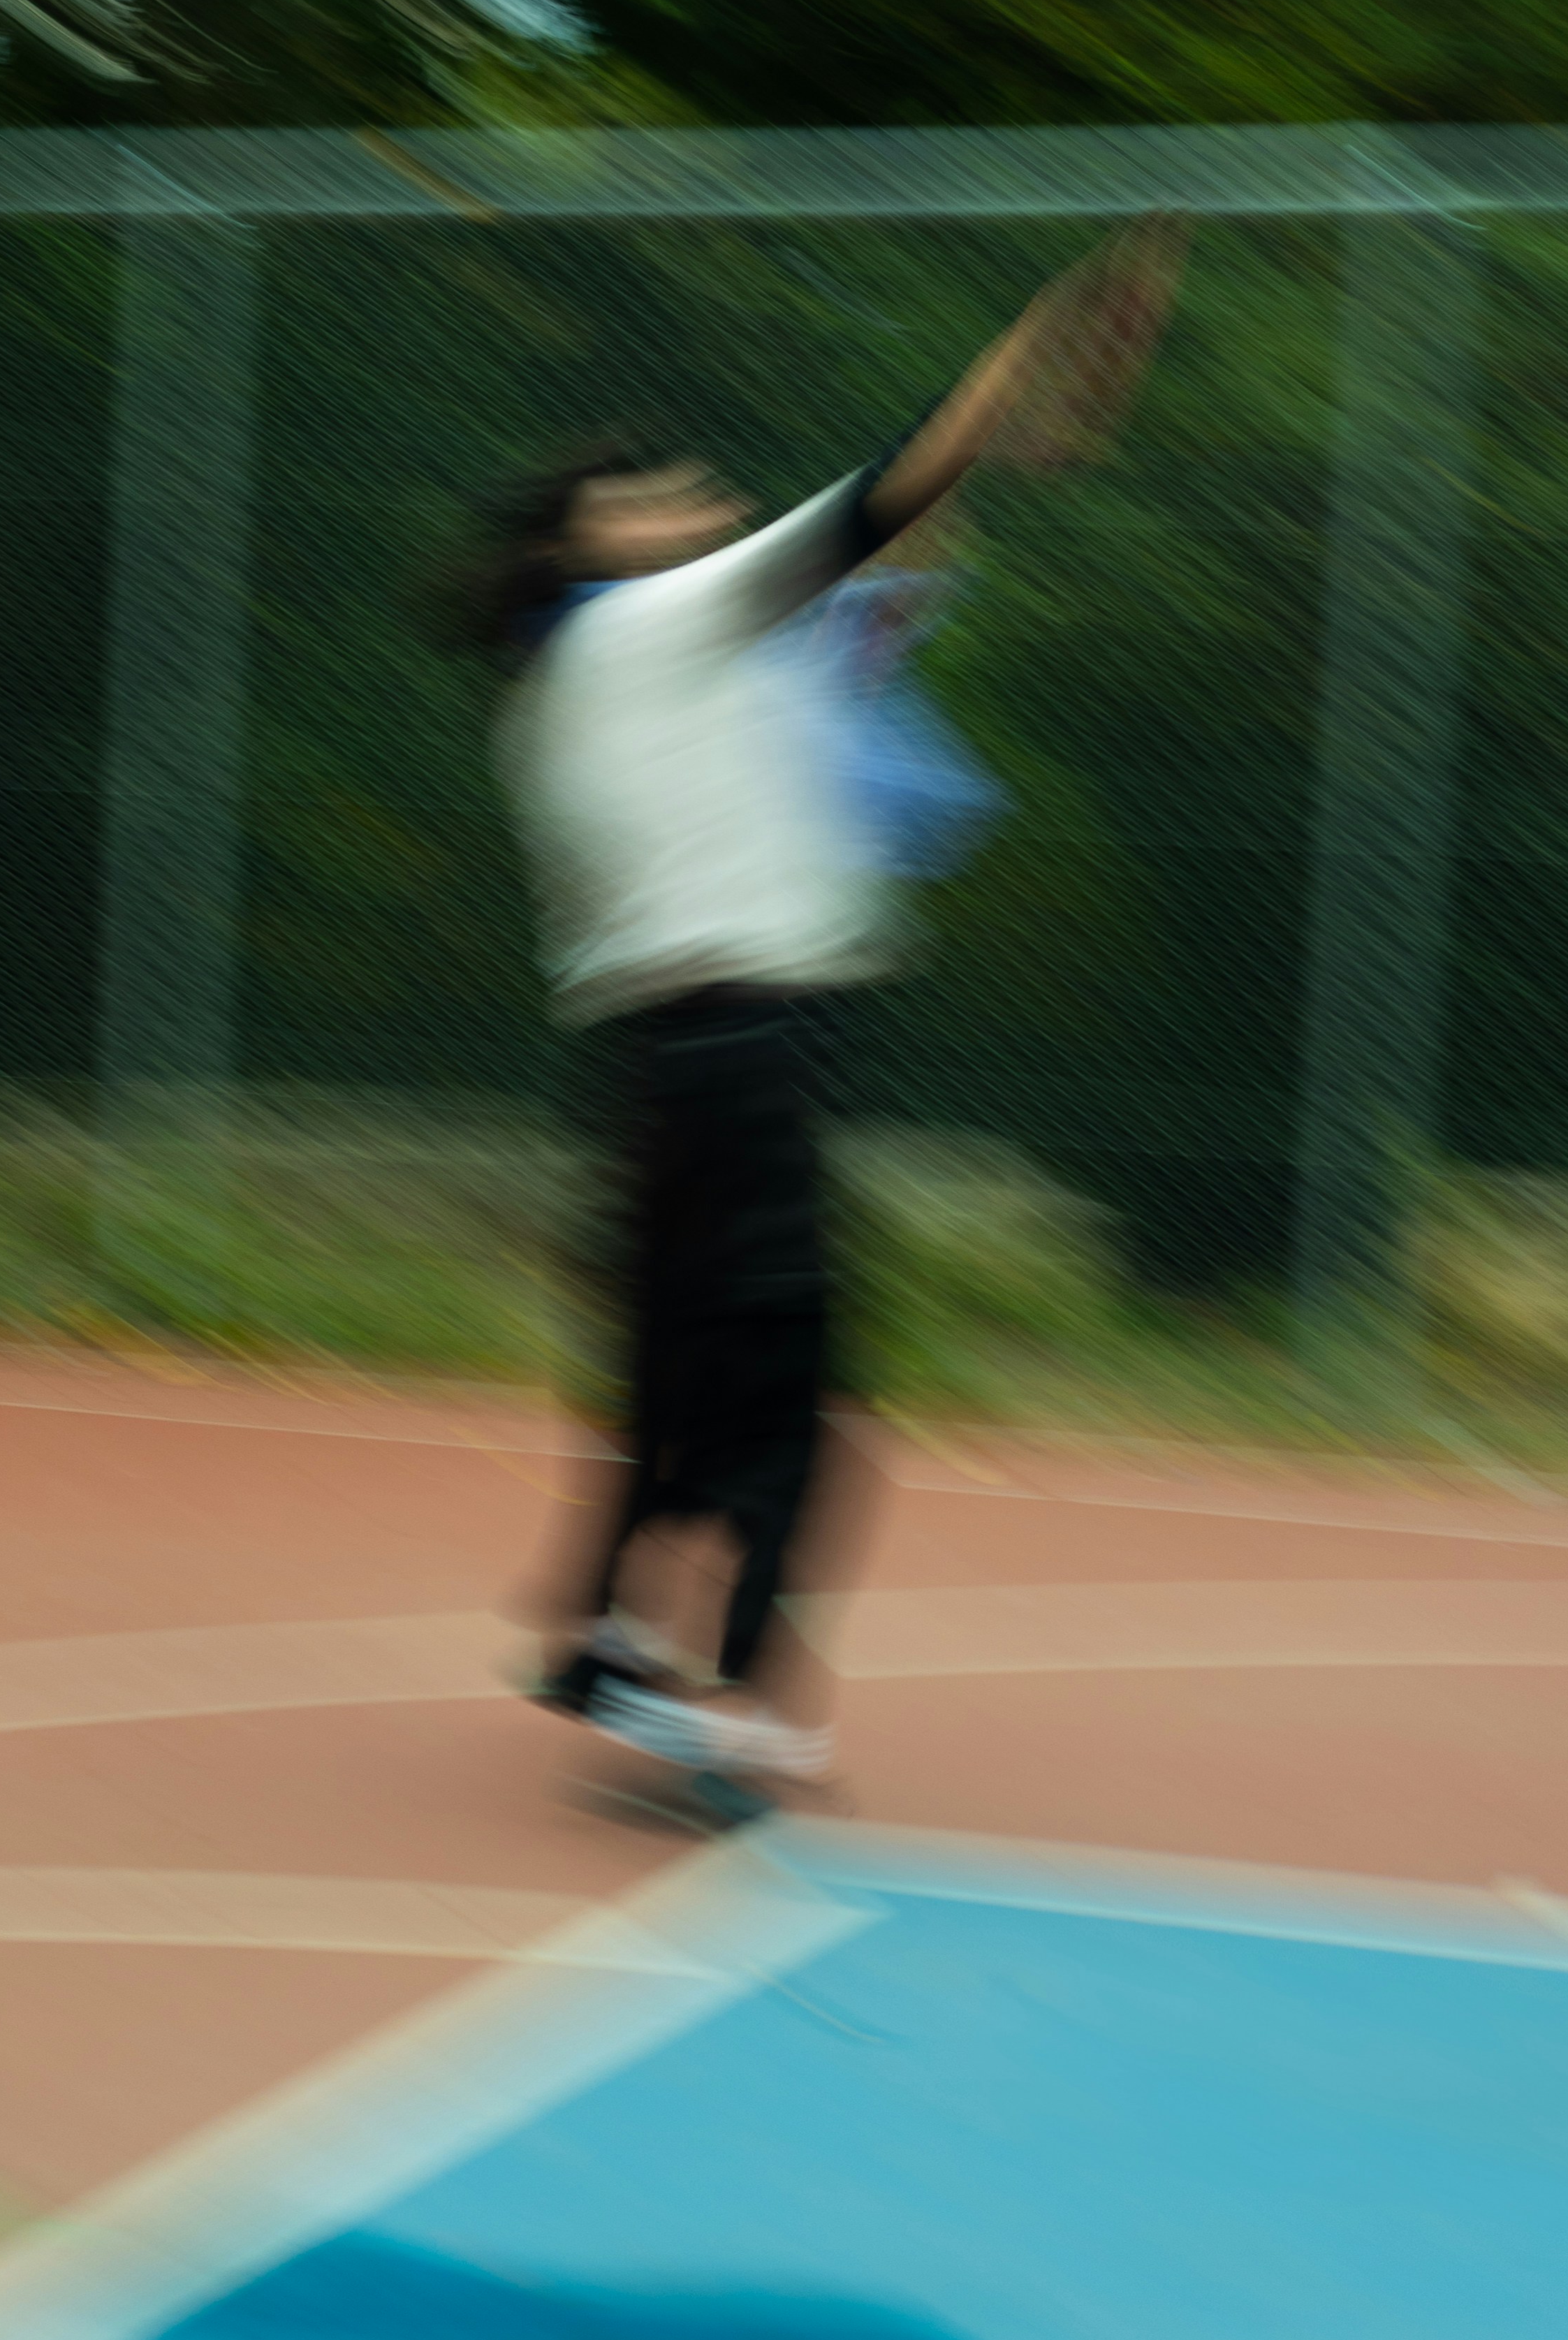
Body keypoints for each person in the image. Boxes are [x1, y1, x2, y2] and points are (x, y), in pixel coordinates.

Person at [459, 223, 1185, 1812]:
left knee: (676, 1371)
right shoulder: (663, 624)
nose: (693, 503)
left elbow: (901, 553)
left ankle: (605, 1639)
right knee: (794, 1393)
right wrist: (1033, 331)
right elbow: (894, 487)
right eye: (652, 491)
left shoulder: (588, 677)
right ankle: (736, 1709)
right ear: (585, 542)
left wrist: (1012, 441)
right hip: (738, 1051)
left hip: (656, 1066)